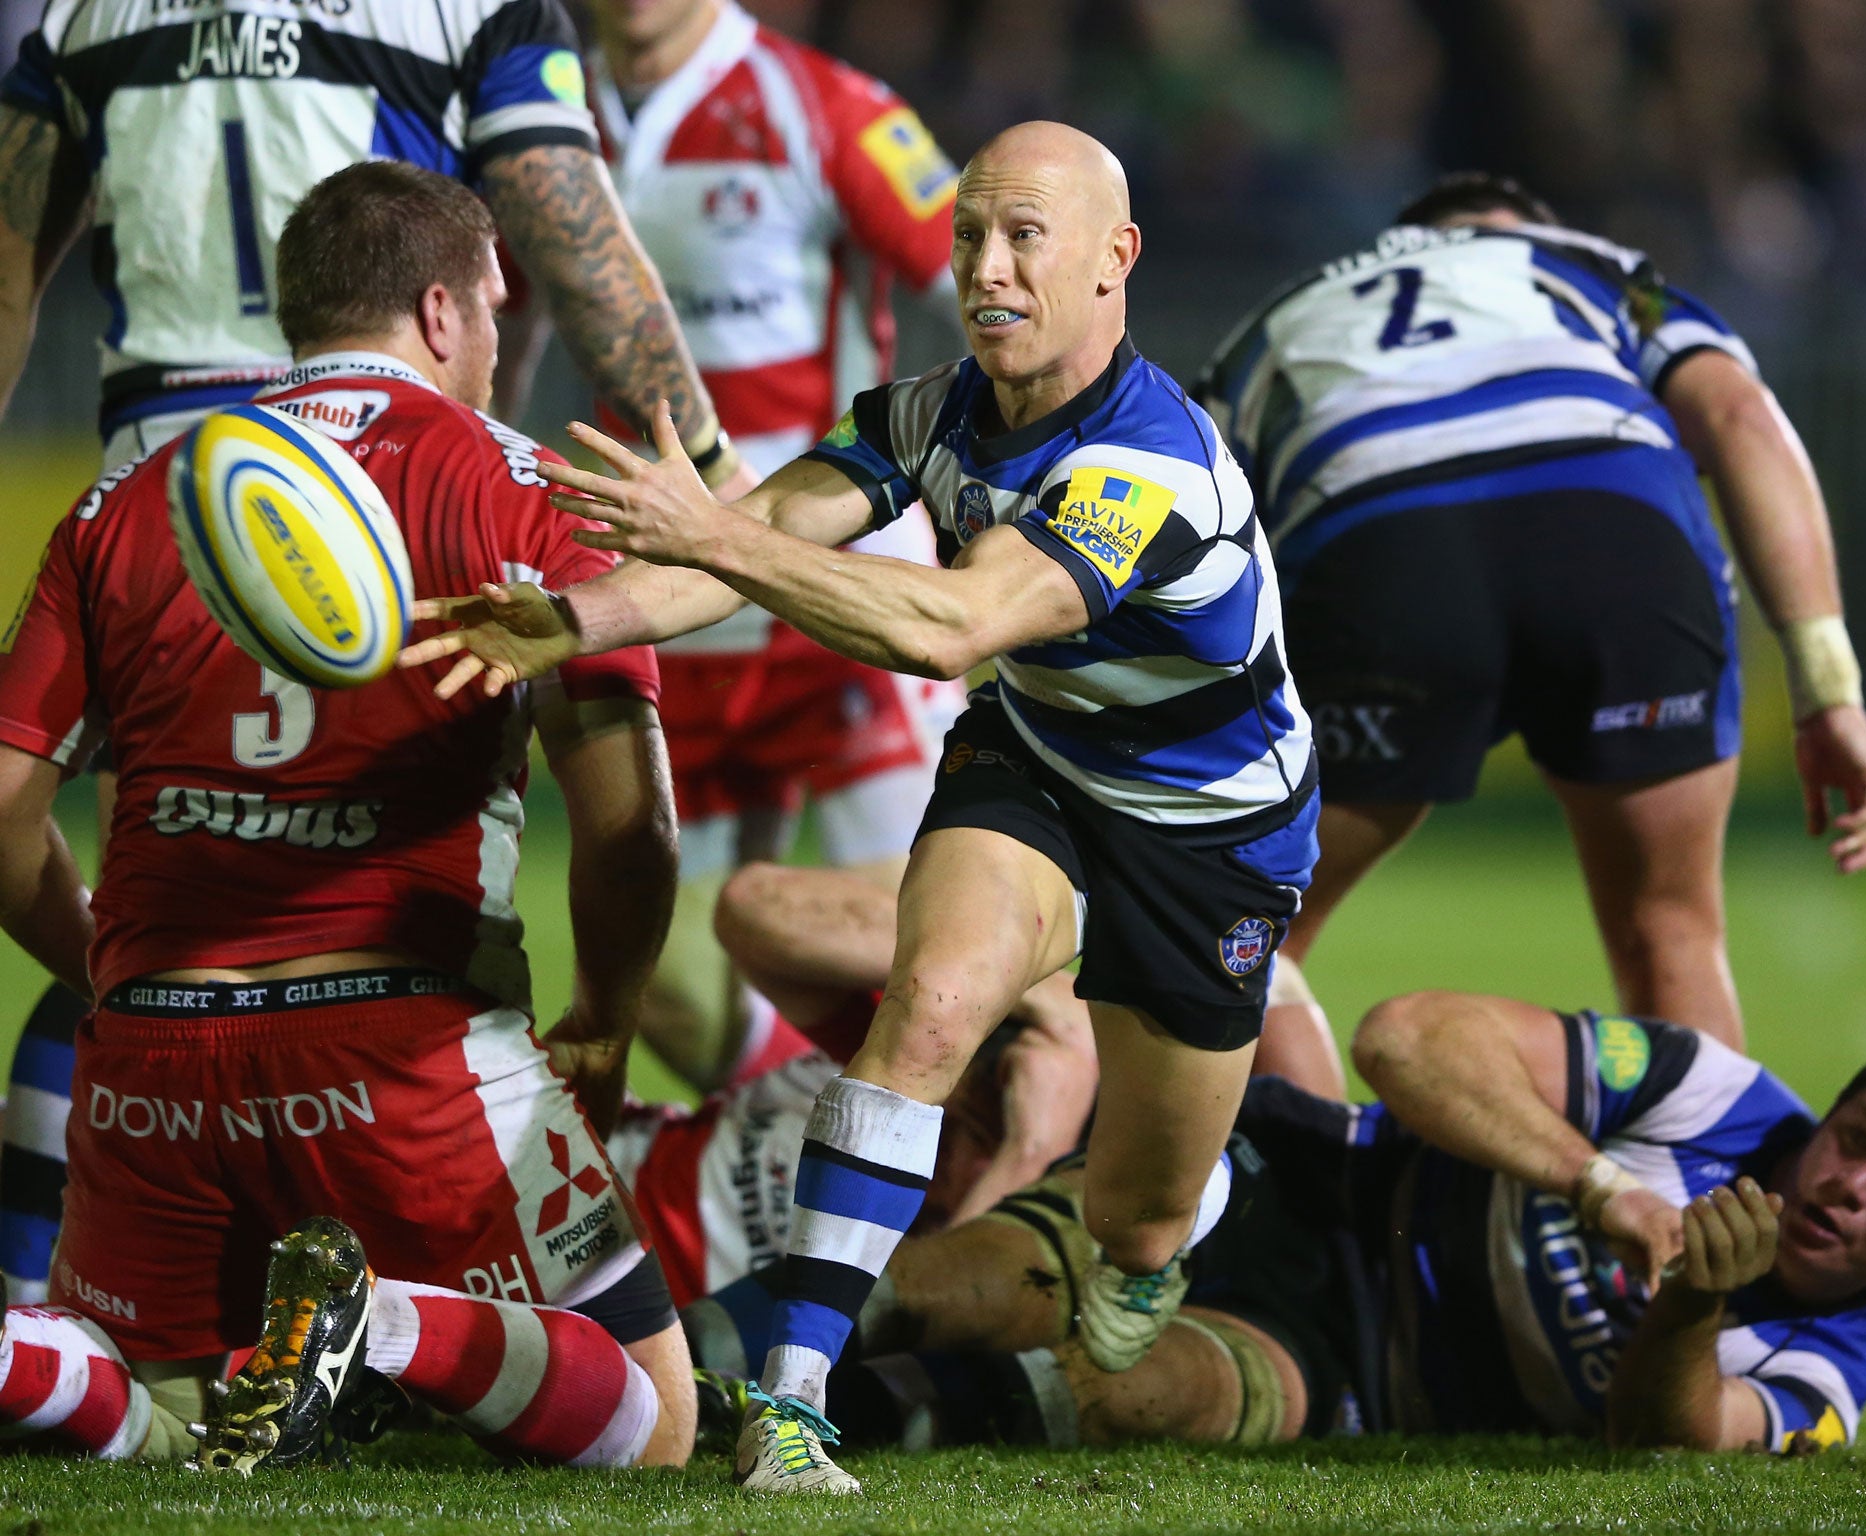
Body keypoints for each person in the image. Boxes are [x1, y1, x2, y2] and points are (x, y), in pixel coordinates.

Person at [399, 119, 1320, 1494]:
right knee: (932, 1004)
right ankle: (792, 1410)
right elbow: (738, 558)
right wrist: (566, 620)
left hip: (1214, 839)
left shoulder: (1151, 468)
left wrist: (720, 531)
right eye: (969, 237)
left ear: (1115, 262)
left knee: (1136, 1224)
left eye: (1026, 238)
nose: (986, 268)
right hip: (1043, 761)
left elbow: (952, 626)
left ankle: (1155, 1233)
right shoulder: (925, 413)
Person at [0, 0, 750, 1306]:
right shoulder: (464, 1)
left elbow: (9, 258)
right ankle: (387, 1294)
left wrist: (100, 963)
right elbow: (560, 218)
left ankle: (53, 1298)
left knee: (170, 929)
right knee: (382, 913)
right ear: (461, 306)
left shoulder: (81, 5)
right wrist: (712, 474)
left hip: (171, 483)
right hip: (404, 483)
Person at [1198, 171, 1866, 1072]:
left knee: (1241, 941)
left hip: (1377, 535)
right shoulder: (1590, 263)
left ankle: (1329, 1201)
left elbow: (1199, 525)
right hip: (1615, 524)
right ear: (1519, 228)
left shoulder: (1284, 312)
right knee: (1670, 933)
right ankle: (1688, 1205)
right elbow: (1738, 412)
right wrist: (1827, 688)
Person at [726, 993, 1866, 1458]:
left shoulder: (1823, 1375)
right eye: (1854, 1136)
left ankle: (806, 1422)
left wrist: (1690, 1310)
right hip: (1302, 1180)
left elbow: (1668, 1444)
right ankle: (691, 1369)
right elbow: (1408, 1039)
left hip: (1354, 1373)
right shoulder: (1721, 1101)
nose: (1847, 1180)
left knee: (1147, 1396)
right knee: (984, 1284)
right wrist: (1595, 1182)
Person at [507, 0, 971, 1091]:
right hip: (676, 597)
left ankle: (991, 1181)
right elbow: (499, 316)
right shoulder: (532, 117)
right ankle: (793, 1156)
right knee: (669, 980)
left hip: (840, 586)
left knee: (937, 939)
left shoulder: (826, 110)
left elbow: (994, 286)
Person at [607, 860, 1097, 1307]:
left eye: (991, 1141)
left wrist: (1030, 1151)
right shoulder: (918, 1065)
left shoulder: (1046, 1268)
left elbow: (941, 1313)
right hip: (592, 1165)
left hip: (628, 1330)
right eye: (974, 1108)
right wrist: (1023, 991)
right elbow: (754, 904)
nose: (950, 1137)